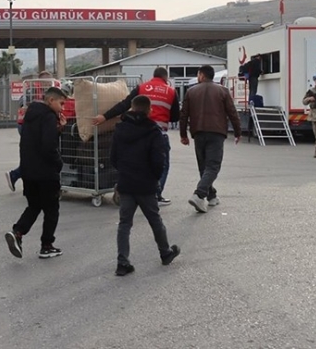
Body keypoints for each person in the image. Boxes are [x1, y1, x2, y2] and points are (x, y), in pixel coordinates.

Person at [110, 95, 180, 276]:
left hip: (126, 183)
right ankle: (165, 252)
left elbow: (113, 158)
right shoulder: (153, 131)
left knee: (124, 223)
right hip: (146, 184)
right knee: (155, 220)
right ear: (149, 110)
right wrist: (154, 178)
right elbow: (159, 161)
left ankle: (122, 262)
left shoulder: (120, 129)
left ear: (131, 108)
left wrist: (123, 172)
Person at [93, 67, 179, 206]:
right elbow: (175, 117)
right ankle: (155, 195)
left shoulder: (142, 87)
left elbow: (124, 104)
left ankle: (126, 188)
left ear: (153, 76)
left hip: (135, 131)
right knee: (161, 165)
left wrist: (104, 116)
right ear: (166, 78)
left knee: (135, 164)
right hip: (157, 134)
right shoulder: (171, 91)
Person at [4, 86, 67, 259]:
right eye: (61, 103)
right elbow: (48, 146)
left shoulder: (31, 115)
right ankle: (47, 245)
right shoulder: (48, 117)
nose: (62, 108)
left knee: (34, 206)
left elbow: (35, 141)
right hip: (46, 173)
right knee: (52, 209)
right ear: (51, 100)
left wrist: (58, 129)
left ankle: (17, 232)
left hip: (29, 171)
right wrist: (58, 163)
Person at [179, 65, 242, 213]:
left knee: (204, 166)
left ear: (201, 75)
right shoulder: (223, 91)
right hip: (216, 132)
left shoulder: (191, 91)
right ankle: (199, 194)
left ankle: (211, 196)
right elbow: (232, 112)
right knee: (213, 166)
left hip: (198, 132)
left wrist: (183, 135)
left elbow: (184, 114)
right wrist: (238, 132)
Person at [6, 70, 59, 192]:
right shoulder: (33, 91)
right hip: (27, 126)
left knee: (34, 155)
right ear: (42, 81)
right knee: (36, 156)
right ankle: (15, 175)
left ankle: (16, 176)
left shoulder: (43, 92)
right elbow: (23, 104)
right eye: (47, 82)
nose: (49, 84)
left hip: (31, 125)